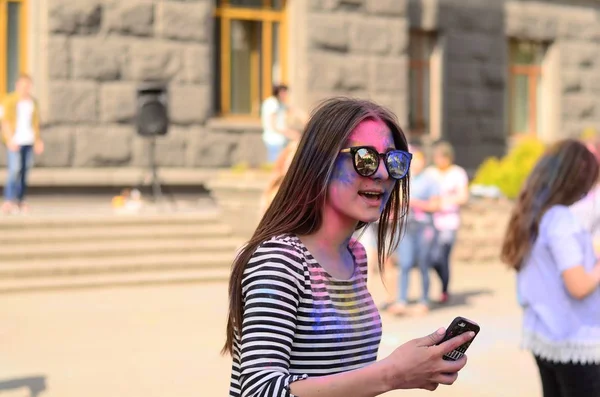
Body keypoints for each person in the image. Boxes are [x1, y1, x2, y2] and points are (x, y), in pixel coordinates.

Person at [222, 97, 474, 397]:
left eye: (393, 160)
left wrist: (406, 367)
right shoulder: (280, 260)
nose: (382, 173)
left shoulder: (354, 255)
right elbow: (258, 391)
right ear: (320, 163)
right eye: (365, 158)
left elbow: (343, 375)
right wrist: (392, 374)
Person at [501, 139, 600, 397]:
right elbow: (578, 286)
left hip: (545, 334)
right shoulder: (561, 219)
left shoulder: (536, 213)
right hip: (574, 339)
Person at [385, 145, 440, 316]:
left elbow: (435, 205)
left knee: (423, 264)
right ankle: (401, 300)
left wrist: (414, 203)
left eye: (419, 159)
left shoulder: (430, 180)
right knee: (405, 263)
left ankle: (424, 300)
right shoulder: (402, 179)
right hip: (405, 226)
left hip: (424, 227)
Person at [428, 141, 469, 303]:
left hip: (449, 222)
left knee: (443, 256)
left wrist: (445, 201)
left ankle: (444, 289)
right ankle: (443, 282)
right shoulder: (431, 173)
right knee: (432, 257)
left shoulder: (457, 173)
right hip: (432, 222)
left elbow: (463, 197)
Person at [1, 74, 44, 214]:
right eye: (23, 85)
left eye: (28, 85)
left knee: (25, 171)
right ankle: (8, 200)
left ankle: (20, 200)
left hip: (28, 141)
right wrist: (9, 139)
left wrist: (38, 140)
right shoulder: (10, 100)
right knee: (14, 170)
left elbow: (36, 123)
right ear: (17, 85)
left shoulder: (33, 102)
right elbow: (5, 121)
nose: (25, 88)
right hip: (15, 141)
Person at [260, 84, 301, 164]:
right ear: (279, 93)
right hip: (274, 139)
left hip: (280, 140)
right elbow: (273, 126)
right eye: (284, 93)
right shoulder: (272, 103)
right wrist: (290, 133)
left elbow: (293, 110)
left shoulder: (279, 103)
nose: (286, 95)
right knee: (276, 164)